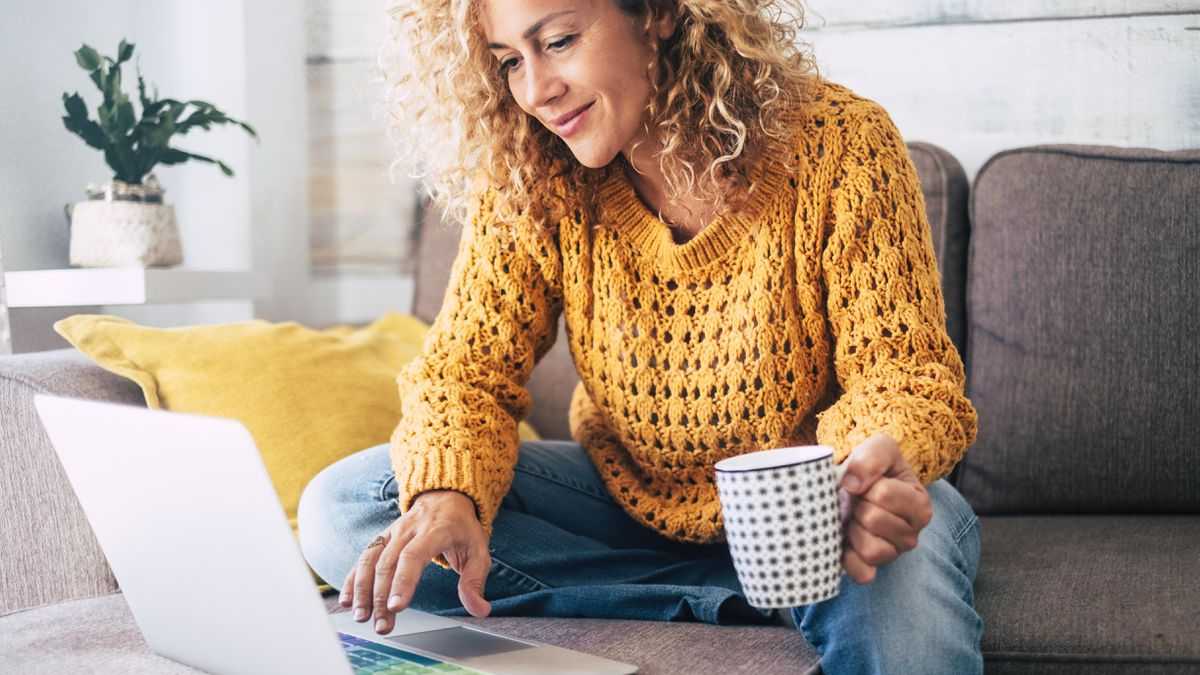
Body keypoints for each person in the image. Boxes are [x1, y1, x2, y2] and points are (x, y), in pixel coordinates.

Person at [298, 0, 984, 672]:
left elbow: (905, 377)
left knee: (896, 564)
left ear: (656, 12)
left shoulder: (843, 144)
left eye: (560, 40)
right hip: (629, 506)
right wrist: (446, 494)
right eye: (510, 60)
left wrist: (856, 481)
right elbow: (464, 372)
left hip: (815, 511)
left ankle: (763, 585)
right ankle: (740, 597)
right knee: (347, 507)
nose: (537, 90)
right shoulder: (535, 174)